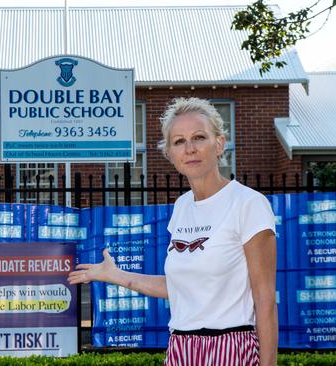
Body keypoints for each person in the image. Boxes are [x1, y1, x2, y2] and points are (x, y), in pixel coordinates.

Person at [68, 98, 277, 366]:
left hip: (232, 348)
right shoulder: (182, 206)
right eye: (179, 141)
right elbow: (178, 286)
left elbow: (265, 298)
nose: (190, 149)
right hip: (181, 348)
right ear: (170, 153)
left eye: (199, 137)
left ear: (219, 143)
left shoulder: (248, 203)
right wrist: (116, 275)